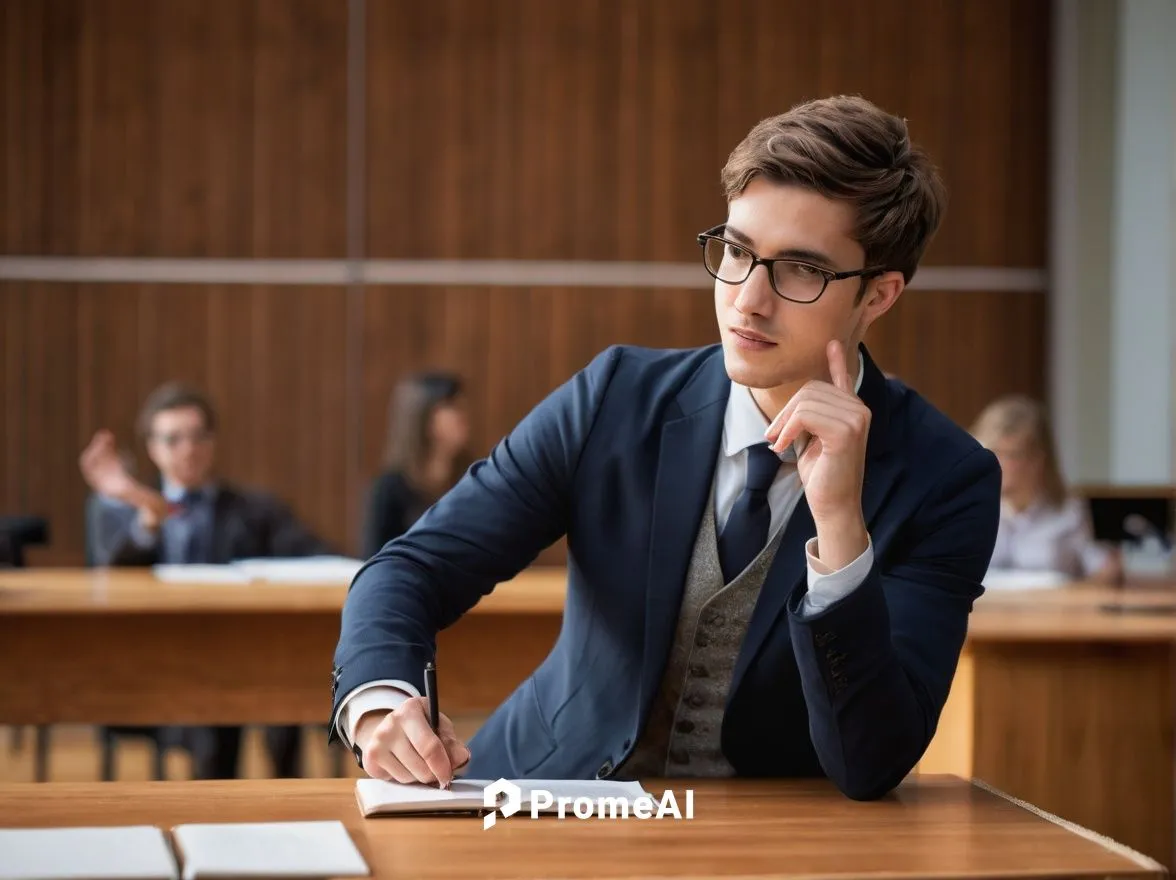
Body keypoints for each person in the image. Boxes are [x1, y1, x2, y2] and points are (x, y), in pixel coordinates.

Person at [329, 94, 1002, 801]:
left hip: (768, 846)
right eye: (738, 252)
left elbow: (873, 763)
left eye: (801, 269)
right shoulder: (614, 396)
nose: (747, 298)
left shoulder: (945, 478)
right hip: (535, 795)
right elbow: (414, 567)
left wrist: (839, 531)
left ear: (880, 294)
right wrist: (379, 701)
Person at [79, 381, 335, 779]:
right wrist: (148, 514)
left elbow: (318, 556)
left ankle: (286, 806)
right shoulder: (125, 509)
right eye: (173, 439)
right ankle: (215, 810)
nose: (188, 449)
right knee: (213, 696)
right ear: (152, 447)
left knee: (282, 683)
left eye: (198, 437)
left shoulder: (254, 509)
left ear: (213, 443)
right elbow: (109, 582)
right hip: (156, 660)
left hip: (240, 655)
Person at [971, 395, 1122, 583]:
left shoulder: (1070, 512)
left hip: (1054, 610)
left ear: (1037, 460)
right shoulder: (970, 510)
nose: (993, 464)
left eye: (1009, 455)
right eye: (989, 452)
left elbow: (1105, 571)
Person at [361, 372, 471, 558]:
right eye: (450, 406)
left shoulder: (471, 478)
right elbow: (374, 558)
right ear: (422, 416)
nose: (462, 415)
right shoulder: (389, 489)